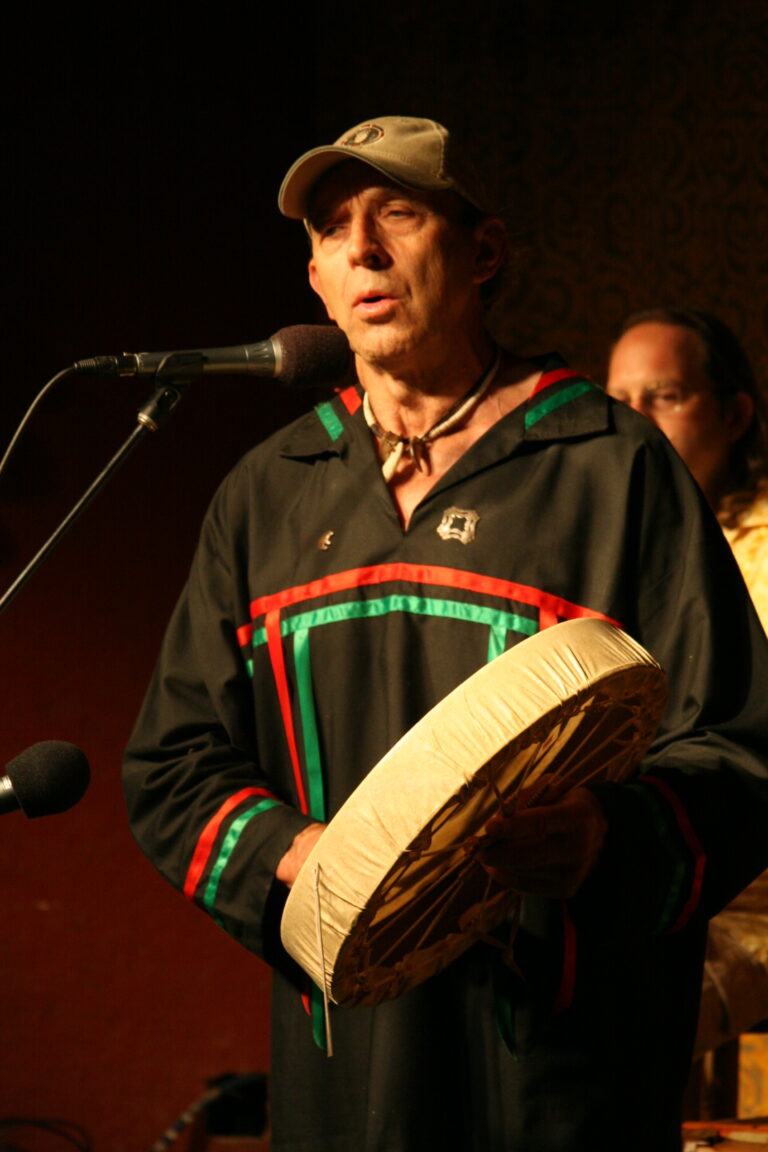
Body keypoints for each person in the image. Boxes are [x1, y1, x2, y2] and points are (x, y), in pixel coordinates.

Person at [123, 118, 768, 1152]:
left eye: (400, 216)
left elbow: (742, 748)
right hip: (344, 1081)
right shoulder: (268, 495)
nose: (365, 249)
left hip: (559, 1083)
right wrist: (303, 858)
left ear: (484, 251)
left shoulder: (610, 467)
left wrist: (608, 835)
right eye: (336, 231)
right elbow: (171, 768)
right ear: (318, 282)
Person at [607, 308, 768, 1064]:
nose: (634, 420)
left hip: (745, 910)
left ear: (736, 414)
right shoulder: (601, 547)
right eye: (619, 400)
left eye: (664, 396)